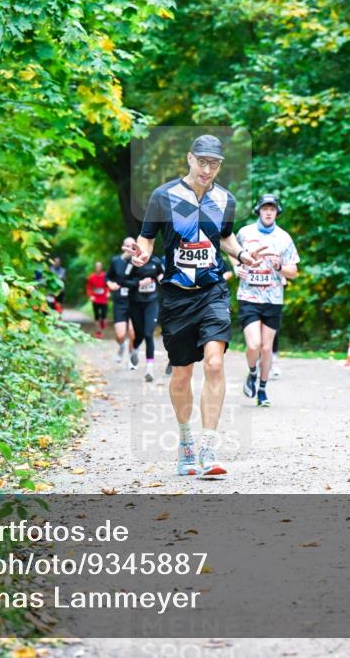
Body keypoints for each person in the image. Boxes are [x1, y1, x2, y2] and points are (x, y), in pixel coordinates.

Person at [125, 135, 266, 478]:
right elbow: (146, 237)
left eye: (214, 163)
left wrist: (244, 255)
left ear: (220, 165)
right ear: (189, 159)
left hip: (212, 290)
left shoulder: (225, 199)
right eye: (201, 161)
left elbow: (226, 237)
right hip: (176, 294)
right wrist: (143, 253)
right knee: (183, 372)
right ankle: (186, 442)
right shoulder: (164, 197)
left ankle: (208, 447)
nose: (207, 169)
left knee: (215, 364)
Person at [233, 194, 299, 407]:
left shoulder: (284, 238)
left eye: (272, 209)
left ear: (277, 212)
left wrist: (279, 266)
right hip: (248, 296)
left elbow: (294, 272)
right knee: (254, 345)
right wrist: (236, 268)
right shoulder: (245, 233)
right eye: (265, 208)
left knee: (267, 348)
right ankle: (252, 373)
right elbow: (232, 252)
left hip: (273, 299)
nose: (269, 212)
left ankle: (262, 389)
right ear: (259, 211)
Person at [125, 255, 163, 381]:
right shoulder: (132, 262)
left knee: (148, 334)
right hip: (136, 303)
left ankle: (149, 369)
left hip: (152, 302)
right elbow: (124, 280)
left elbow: (161, 275)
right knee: (139, 333)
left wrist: (162, 280)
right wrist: (139, 283)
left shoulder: (156, 261)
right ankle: (135, 350)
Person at [106, 240, 137, 365]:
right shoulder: (116, 261)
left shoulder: (138, 262)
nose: (130, 248)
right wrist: (111, 284)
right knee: (120, 335)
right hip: (119, 301)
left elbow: (140, 280)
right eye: (128, 246)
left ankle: (131, 357)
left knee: (133, 333)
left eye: (133, 246)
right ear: (123, 247)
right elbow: (108, 277)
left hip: (134, 301)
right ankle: (121, 345)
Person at [85, 261, 110, 338]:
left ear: (101, 267)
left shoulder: (105, 276)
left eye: (99, 266)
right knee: (96, 315)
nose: (98, 268)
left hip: (103, 298)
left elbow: (108, 285)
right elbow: (88, 287)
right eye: (97, 266)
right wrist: (90, 296)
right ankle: (98, 332)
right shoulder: (91, 277)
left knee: (103, 315)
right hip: (95, 298)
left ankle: (103, 322)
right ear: (95, 267)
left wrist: (108, 292)